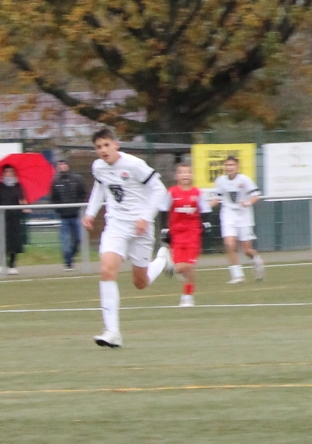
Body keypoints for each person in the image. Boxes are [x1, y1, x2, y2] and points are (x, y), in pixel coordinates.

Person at [82, 127, 172, 348]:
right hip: (116, 226)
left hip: (141, 228)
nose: (103, 150)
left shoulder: (134, 164)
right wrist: (90, 213)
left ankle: (162, 259)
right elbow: (99, 188)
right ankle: (112, 332)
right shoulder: (98, 167)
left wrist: (145, 217)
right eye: (98, 147)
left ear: (116, 145)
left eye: (106, 145)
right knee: (107, 270)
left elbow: (159, 190)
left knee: (140, 283)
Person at [212, 154, 263, 283]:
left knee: (247, 250)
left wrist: (248, 202)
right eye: (227, 165)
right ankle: (237, 276)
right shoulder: (220, 181)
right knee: (229, 244)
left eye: (232, 165)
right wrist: (205, 206)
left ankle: (256, 260)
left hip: (244, 215)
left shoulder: (244, 180)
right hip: (228, 214)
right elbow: (216, 197)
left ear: (237, 166)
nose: (229, 167)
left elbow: (256, 195)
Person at [164, 161, 209, 307]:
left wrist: (205, 225)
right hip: (176, 235)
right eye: (181, 172)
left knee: (189, 266)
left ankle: (187, 297)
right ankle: (168, 264)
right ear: (176, 176)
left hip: (193, 234)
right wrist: (165, 230)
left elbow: (205, 211)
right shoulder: (171, 193)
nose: (185, 175)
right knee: (179, 268)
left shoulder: (197, 193)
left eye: (188, 172)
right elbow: (163, 209)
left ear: (192, 175)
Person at [48, 159, 88, 269]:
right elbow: (53, 198)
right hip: (64, 217)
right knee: (65, 242)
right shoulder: (55, 182)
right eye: (59, 164)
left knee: (78, 239)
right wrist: (59, 210)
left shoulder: (77, 179)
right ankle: (68, 262)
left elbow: (82, 193)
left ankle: (72, 256)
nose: (62, 166)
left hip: (75, 215)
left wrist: (77, 206)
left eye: (64, 164)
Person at [0, 162, 28, 274]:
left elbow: (22, 200)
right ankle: (0, 263)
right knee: (1, 240)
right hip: (2, 217)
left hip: (14, 217)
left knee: (14, 240)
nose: (8, 173)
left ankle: (12, 265)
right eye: (6, 171)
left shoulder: (18, 186)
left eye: (11, 171)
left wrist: (24, 206)